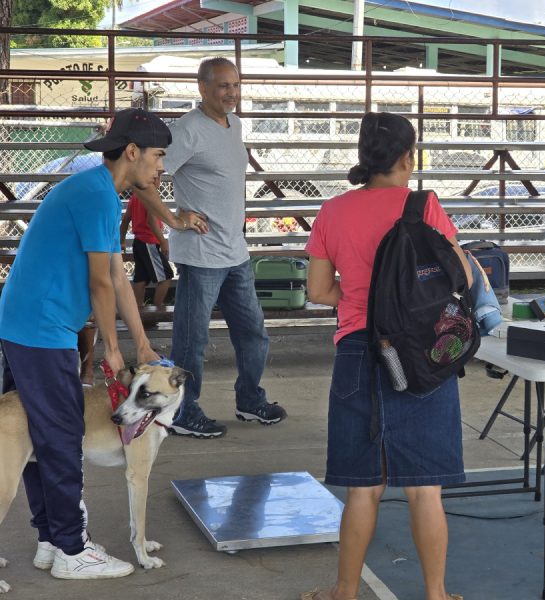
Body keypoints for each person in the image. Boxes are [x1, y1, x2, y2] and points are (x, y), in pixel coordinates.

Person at [0, 108, 174, 580]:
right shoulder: (97, 196)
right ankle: (73, 551)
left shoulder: (97, 191)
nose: (161, 167)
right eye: (158, 156)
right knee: (61, 438)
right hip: (42, 328)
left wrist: (141, 342)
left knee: (39, 435)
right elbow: (100, 284)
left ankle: (50, 540)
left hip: (28, 321)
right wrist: (111, 349)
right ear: (132, 152)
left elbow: (117, 275)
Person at [303, 112, 471, 600]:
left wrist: (360, 299)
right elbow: (458, 273)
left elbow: (317, 290)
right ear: (406, 157)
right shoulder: (425, 206)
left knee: (363, 486)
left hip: (357, 348)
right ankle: (436, 595)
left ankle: (345, 592)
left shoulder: (333, 210)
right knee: (424, 488)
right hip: (421, 352)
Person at [158, 56, 286, 438]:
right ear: (202, 88)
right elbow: (148, 177)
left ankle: (250, 400)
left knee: (253, 333)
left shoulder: (235, 124)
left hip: (236, 251)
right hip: (200, 255)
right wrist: (173, 217)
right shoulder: (186, 130)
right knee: (192, 341)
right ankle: (182, 412)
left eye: (235, 85)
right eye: (223, 86)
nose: (231, 93)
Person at [120, 191, 174, 308]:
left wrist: (122, 240)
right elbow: (151, 221)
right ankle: (158, 308)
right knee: (166, 276)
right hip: (149, 241)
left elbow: (125, 220)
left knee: (141, 278)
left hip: (138, 242)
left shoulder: (135, 196)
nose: (158, 179)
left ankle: (138, 311)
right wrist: (163, 241)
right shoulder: (150, 195)